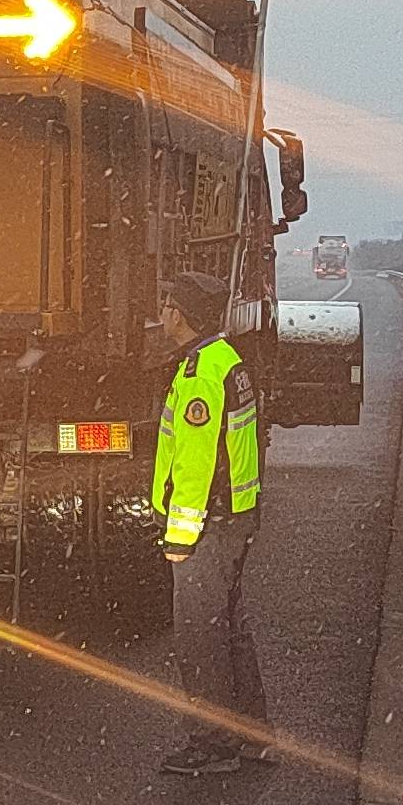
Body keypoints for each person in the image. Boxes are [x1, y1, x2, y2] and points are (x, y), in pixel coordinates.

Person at [148, 270, 269, 775]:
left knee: (201, 636)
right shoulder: (228, 362)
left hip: (208, 526)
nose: (164, 314)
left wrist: (180, 536)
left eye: (169, 306)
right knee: (231, 628)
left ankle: (213, 744)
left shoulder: (200, 374)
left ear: (183, 315)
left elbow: (196, 466)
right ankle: (252, 737)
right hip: (234, 517)